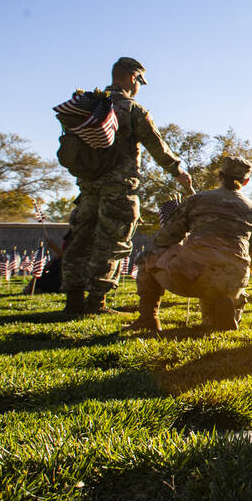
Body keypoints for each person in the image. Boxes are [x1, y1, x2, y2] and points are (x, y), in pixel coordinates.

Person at [61, 57, 193, 316]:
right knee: (112, 241)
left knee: (80, 239)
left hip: (87, 187)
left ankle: (73, 300)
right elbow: (157, 147)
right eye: (140, 82)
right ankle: (96, 302)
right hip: (118, 189)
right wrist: (178, 171)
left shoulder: (87, 106)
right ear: (133, 79)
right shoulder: (132, 110)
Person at [128, 156, 252, 332]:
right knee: (221, 287)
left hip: (193, 275)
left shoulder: (198, 200)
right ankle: (224, 309)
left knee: (146, 257)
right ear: (246, 181)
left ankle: (148, 318)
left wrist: (176, 250)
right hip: (232, 279)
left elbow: (166, 236)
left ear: (220, 176)